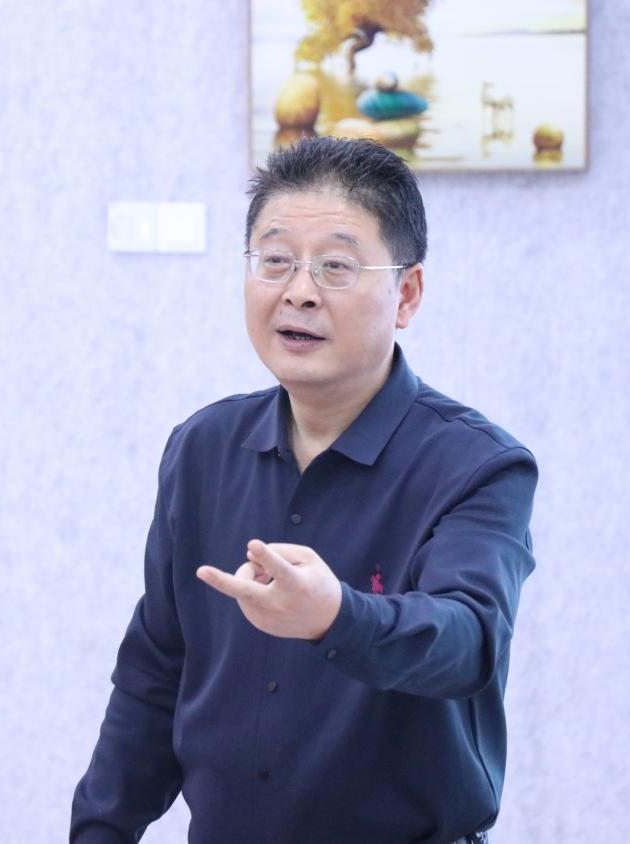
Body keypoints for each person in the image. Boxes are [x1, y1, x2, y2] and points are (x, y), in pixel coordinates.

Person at [71, 137, 537, 844]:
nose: (299, 291)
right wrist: (100, 830)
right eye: (276, 260)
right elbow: (156, 671)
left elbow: (467, 641)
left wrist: (339, 617)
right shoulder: (202, 448)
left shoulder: (476, 464)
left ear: (407, 294)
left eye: (336, 267)